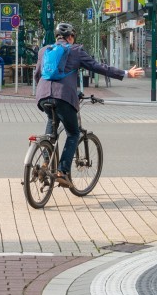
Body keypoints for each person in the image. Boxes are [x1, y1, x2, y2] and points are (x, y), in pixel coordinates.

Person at [35, 22, 144, 188]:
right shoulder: (76, 50)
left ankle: (45, 163)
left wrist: (43, 93)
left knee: (51, 123)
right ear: (70, 37)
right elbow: (98, 67)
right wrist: (125, 73)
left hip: (43, 96)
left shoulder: (44, 51)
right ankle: (62, 171)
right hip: (63, 97)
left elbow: (37, 75)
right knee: (73, 133)